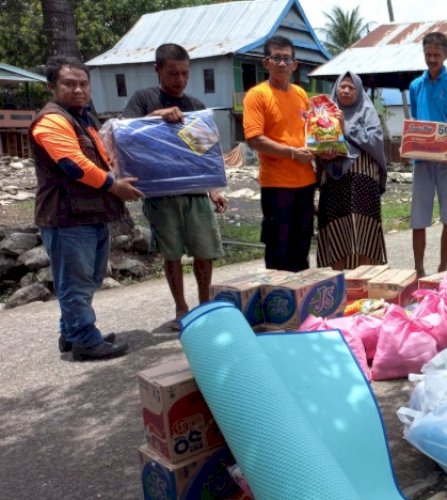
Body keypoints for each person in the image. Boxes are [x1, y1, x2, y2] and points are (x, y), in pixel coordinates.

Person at [31, 56, 143, 360]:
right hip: (67, 217)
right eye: (69, 83)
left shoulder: (82, 117)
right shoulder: (52, 119)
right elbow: (73, 164)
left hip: (90, 214)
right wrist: (114, 185)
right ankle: (84, 340)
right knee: (76, 283)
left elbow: (104, 156)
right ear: (52, 86)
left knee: (88, 279)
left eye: (83, 83)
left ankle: (71, 334)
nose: (78, 89)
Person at [122, 43, 227, 329]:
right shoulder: (144, 99)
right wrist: (157, 115)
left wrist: (213, 189)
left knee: (204, 251)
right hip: (161, 196)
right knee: (172, 254)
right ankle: (181, 309)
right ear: (157, 70)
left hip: (195, 196)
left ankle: (205, 306)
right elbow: (124, 131)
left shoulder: (196, 107)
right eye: (172, 73)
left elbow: (205, 154)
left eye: (184, 73)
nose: (179, 80)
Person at [243, 35, 316, 271]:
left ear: (295, 64)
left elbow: (311, 132)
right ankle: (278, 304)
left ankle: (301, 305)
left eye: (287, 59)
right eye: (277, 58)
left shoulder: (301, 95)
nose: (282, 64)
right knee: (278, 249)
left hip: (305, 183)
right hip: (277, 185)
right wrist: (293, 152)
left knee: (302, 246)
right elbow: (255, 139)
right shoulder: (257, 95)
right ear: (266, 63)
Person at [408, 31, 447, 277]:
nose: (432, 59)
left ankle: (443, 268)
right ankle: (419, 270)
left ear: (446, 55)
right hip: (422, 159)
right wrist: (411, 143)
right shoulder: (415, 86)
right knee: (418, 217)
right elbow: (415, 122)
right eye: (428, 54)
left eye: (437, 54)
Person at [316, 72, 387, 270]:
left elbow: (375, 141)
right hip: (333, 181)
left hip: (363, 181)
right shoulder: (322, 113)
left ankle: (364, 289)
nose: (346, 90)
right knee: (337, 232)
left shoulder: (367, 111)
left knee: (364, 233)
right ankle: (339, 288)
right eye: (343, 86)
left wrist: (345, 127)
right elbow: (314, 144)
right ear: (336, 89)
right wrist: (323, 153)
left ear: (359, 91)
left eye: (352, 87)